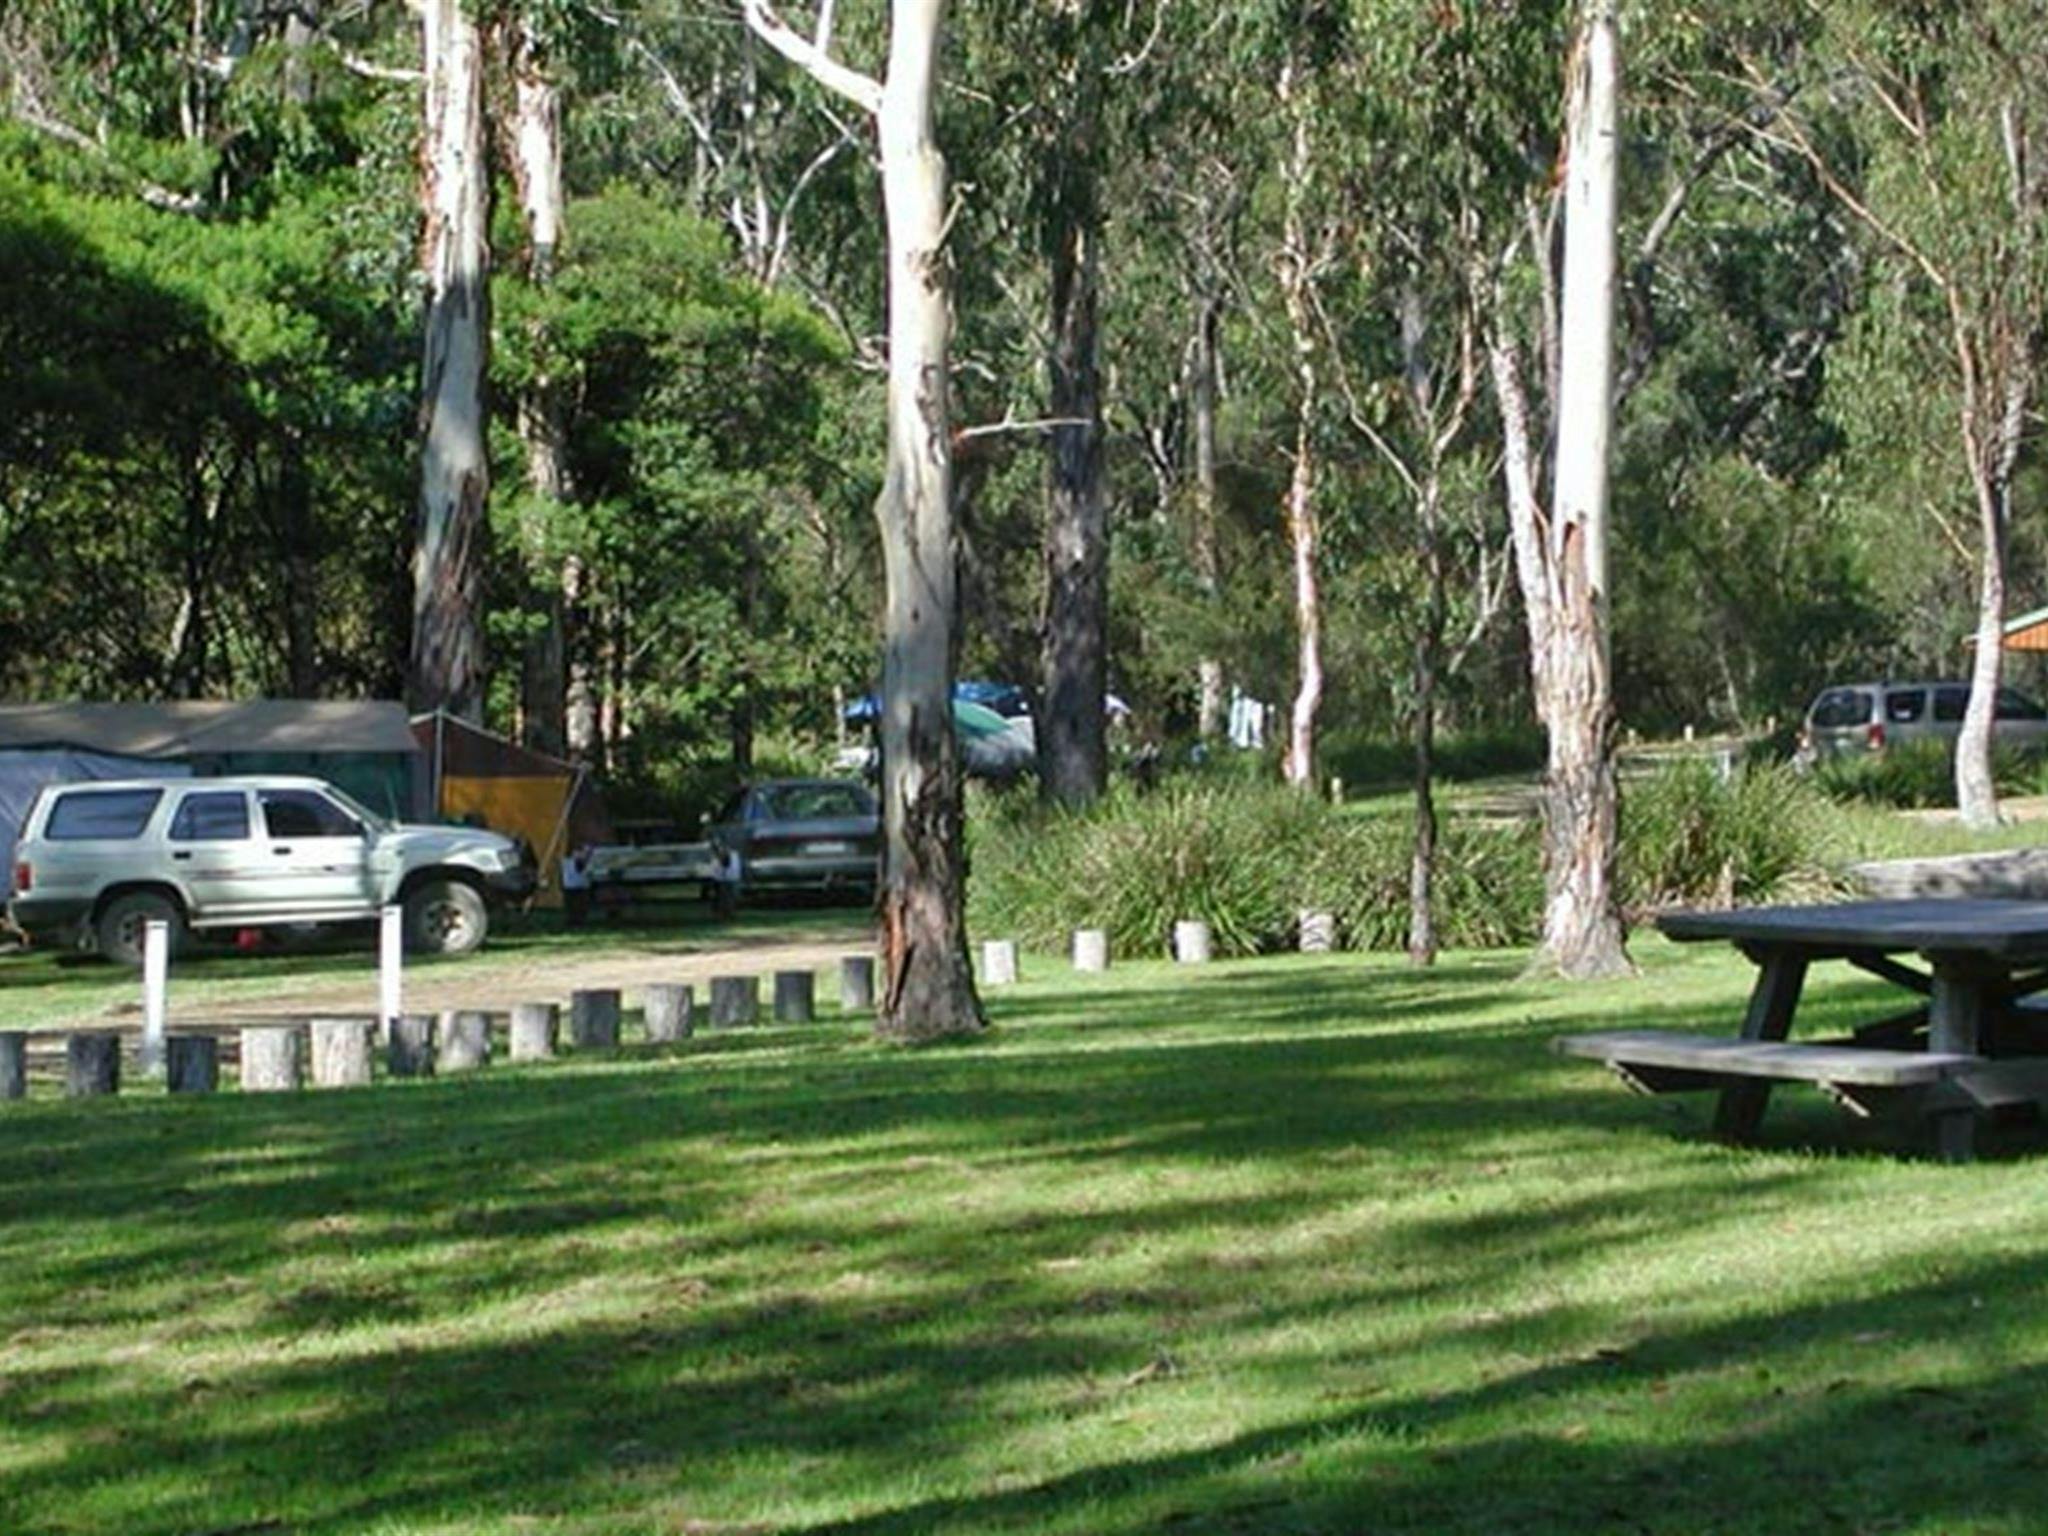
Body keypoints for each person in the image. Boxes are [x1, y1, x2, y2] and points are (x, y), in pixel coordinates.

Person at [561, 845, 593, 928]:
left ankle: (580, 921)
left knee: (582, 906)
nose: (582, 854)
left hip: (582, 886)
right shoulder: (567, 862)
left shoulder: (588, 862)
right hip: (570, 886)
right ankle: (572, 922)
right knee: (572, 906)